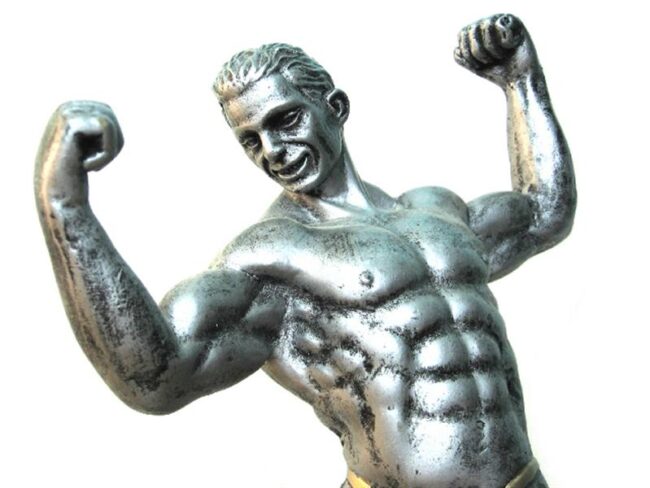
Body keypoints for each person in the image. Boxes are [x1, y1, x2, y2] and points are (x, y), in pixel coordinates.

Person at [35, 13, 575, 488]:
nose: (273, 151)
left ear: (335, 107)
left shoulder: (436, 211)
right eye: (251, 140)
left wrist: (520, 78)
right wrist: (64, 208)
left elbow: (545, 212)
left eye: (285, 120)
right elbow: (156, 376)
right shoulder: (273, 256)